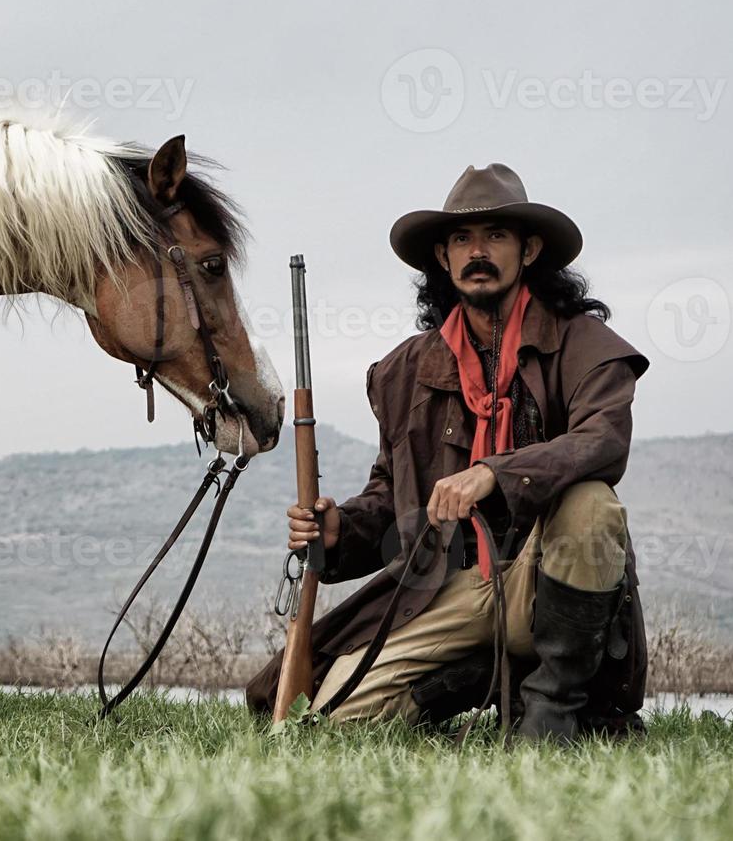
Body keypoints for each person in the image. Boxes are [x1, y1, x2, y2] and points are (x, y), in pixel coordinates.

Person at [246, 164, 650, 741]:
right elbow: (392, 497)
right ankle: (477, 681)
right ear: (442, 257)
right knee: (328, 721)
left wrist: (493, 473)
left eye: (495, 236)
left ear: (529, 249)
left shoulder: (585, 345)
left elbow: (601, 442)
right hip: (446, 587)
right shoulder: (404, 371)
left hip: (547, 570)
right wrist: (341, 529)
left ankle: (553, 715)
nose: (476, 252)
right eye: (461, 239)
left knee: (591, 505)